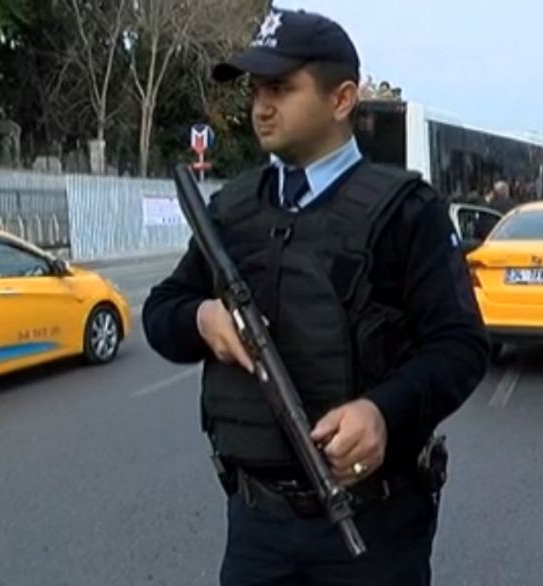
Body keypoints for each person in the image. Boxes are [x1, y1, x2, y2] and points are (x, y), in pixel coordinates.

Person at [142, 8, 489, 586]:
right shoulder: (230, 209)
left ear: (342, 99)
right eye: (255, 89)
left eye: (280, 87)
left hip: (373, 526)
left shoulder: (406, 211)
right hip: (256, 525)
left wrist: (384, 412)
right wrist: (203, 318)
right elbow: (161, 312)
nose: (260, 105)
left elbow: (460, 346)